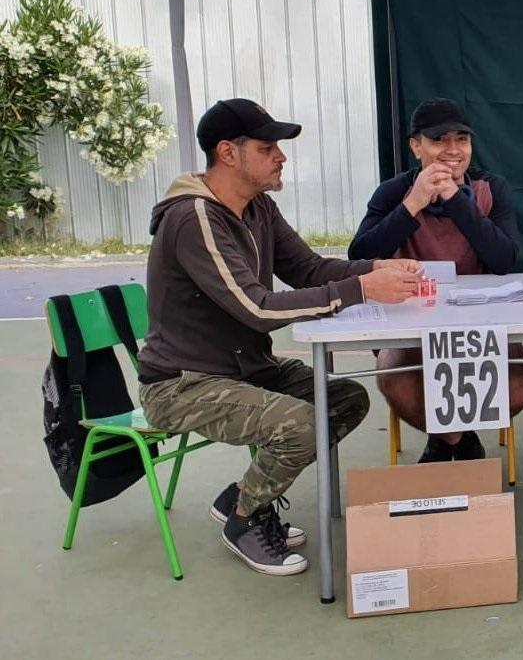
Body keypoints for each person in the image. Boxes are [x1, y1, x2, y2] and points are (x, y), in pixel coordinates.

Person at [137, 98, 423, 576]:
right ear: (228, 153)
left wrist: (376, 268)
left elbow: (308, 268)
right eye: (267, 148)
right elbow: (257, 308)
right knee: (299, 425)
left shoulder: (258, 208)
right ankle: (245, 521)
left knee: (345, 399)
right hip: (182, 384)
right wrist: (360, 289)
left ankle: (241, 496)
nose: (281, 157)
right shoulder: (195, 218)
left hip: (244, 370)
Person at [349, 98, 523, 463]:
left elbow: (504, 259)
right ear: (416, 146)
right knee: (398, 378)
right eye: (439, 140)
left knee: (519, 384)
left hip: (477, 323)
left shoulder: (490, 188)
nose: (453, 149)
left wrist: (455, 200)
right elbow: (360, 255)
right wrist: (413, 204)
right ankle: (457, 440)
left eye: (461, 139)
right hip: (411, 320)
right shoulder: (393, 192)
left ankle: (446, 439)